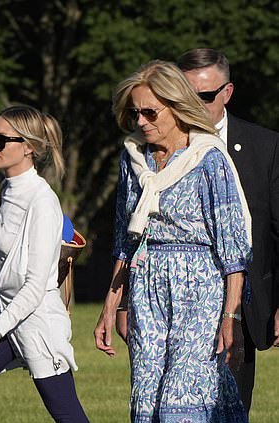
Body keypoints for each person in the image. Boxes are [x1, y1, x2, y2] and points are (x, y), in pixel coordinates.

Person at [94, 60, 251, 422]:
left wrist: (231, 315)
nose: (141, 122)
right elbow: (124, 239)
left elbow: (233, 250)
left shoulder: (209, 159)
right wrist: (112, 303)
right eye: (135, 113)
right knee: (148, 398)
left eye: (150, 112)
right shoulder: (132, 159)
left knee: (182, 400)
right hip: (147, 288)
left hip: (200, 290)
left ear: (177, 107)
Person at [0, 106, 89, 423]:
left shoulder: (41, 201)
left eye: (1, 140)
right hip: (5, 318)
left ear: (29, 147)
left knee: (69, 416)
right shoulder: (9, 189)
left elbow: (35, 286)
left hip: (36, 323)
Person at [176, 48, 279, 413]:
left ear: (227, 93)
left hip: (242, 309)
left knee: (231, 410)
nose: (193, 105)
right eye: (184, 95)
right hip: (177, 304)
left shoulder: (264, 146)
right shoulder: (160, 147)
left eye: (204, 97)